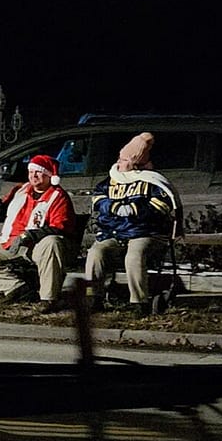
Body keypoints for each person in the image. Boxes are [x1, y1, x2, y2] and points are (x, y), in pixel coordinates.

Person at [86, 132, 180, 314]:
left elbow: (159, 207)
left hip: (145, 233)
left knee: (134, 255)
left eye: (123, 159)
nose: (118, 163)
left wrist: (133, 209)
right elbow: (98, 200)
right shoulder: (110, 181)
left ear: (134, 163)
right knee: (95, 253)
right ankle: (93, 297)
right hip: (114, 233)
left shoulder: (153, 182)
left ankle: (139, 301)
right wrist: (115, 208)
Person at [0, 155, 77, 311]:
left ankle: (49, 298)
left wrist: (28, 236)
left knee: (52, 243)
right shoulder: (21, 190)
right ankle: (17, 288)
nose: (33, 176)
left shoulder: (58, 196)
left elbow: (59, 227)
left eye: (39, 172)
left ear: (49, 176)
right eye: (31, 172)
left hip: (37, 245)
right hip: (11, 241)